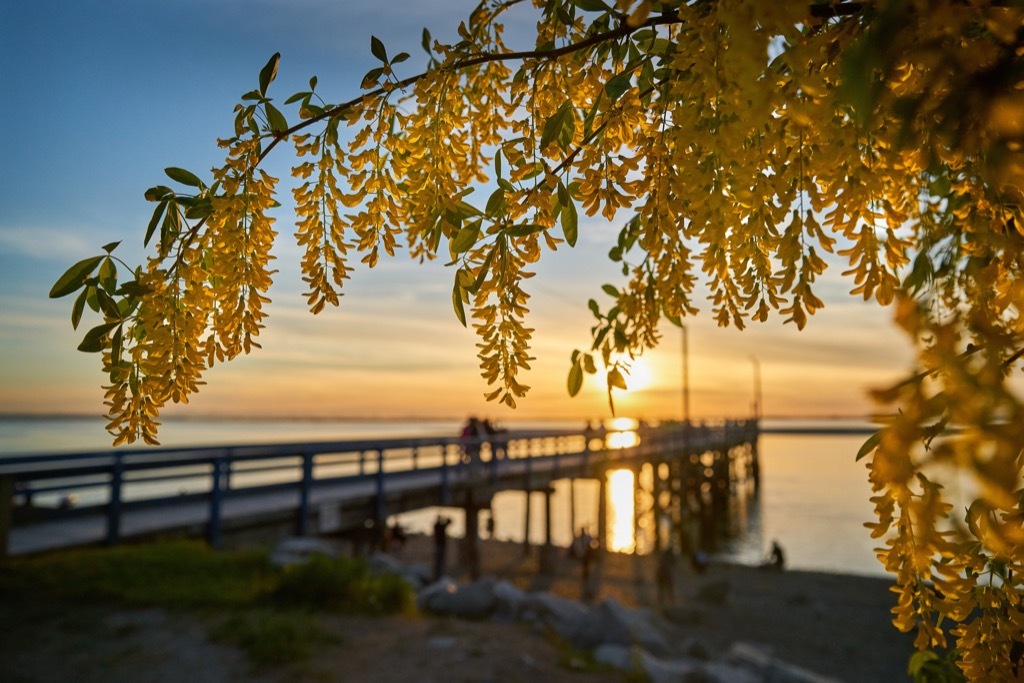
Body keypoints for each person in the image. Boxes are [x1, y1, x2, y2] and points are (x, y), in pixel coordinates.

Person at [433, 515, 452, 581]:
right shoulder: (438, 526)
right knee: (440, 560)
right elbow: (448, 523)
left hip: (440, 545)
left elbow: (448, 523)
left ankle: (439, 574)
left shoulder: (438, 526)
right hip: (440, 545)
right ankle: (439, 575)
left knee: (440, 560)